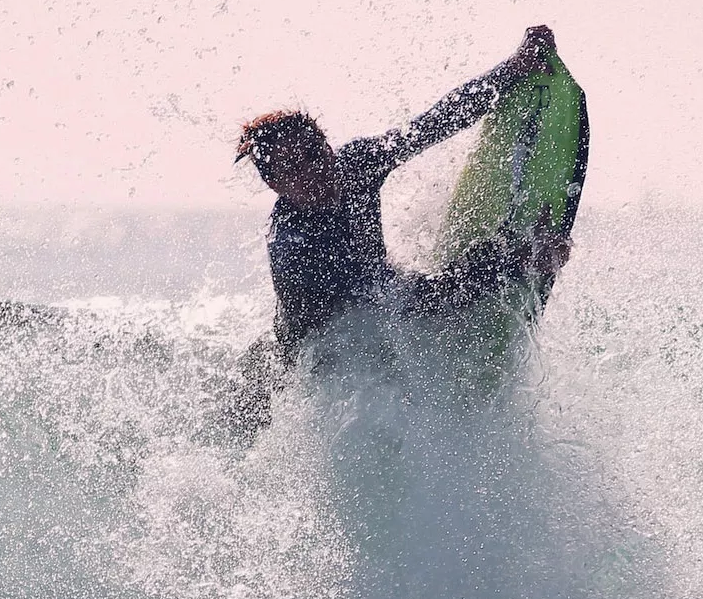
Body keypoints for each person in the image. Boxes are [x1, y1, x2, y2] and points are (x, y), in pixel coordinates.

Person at [224, 26, 570, 432]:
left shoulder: (355, 165)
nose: (312, 171)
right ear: (274, 183)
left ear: (326, 143)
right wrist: (514, 259)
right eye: (292, 168)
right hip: (316, 362)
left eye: (314, 153)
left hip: (373, 305)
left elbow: (432, 125)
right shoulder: (300, 248)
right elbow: (413, 301)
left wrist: (510, 70)